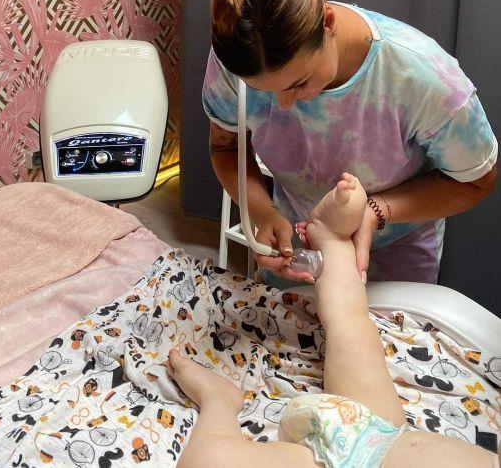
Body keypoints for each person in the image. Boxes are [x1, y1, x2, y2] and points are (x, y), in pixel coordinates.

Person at [202, 0, 498, 288]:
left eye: (298, 83)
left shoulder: (424, 80)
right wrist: (263, 212)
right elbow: (225, 148)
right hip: (297, 238)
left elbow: (477, 180)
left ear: (328, 23)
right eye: (263, 91)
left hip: (397, 251)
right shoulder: (243, 55)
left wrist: (377, 211)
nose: (283, 104)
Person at [167, 173, 500, 468]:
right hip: (380, 431)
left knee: (204, 463)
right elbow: (225, 150)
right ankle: (331, 239)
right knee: (350, 324)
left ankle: (219, 400)